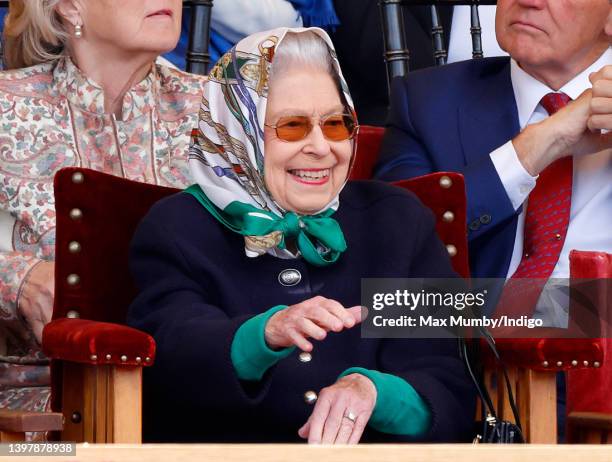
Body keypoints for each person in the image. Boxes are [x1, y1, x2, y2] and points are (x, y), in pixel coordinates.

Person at [127, 27, 475, 444]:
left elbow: (447, 379)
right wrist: (266, 332)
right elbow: (170, 357)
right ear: (239, 131)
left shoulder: (399, 222)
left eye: (335, 123)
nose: (321, 147)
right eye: (292, 126)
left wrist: (375, 394)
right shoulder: (179, 226)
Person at [373, 0, 612, 438]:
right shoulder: (427, 102)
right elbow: (390, 298)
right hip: (471, 395)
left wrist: (587, 310)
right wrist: (542, 143)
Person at [0, 0, 205, 414]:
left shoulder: (217, 112)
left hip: (193, 396)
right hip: (32, 411)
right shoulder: (6, 108)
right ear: (71, 7)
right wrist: (17, 279)